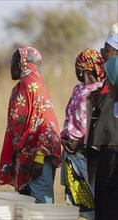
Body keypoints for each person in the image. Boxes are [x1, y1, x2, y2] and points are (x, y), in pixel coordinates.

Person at [0, 47, 62, 203]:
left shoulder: (35, 86)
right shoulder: (20, 88)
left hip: (38, 158)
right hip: (24, 156)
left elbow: (47, 121)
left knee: (40, 206)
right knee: (25, 205)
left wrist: (39, 157)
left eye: (12, 62)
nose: (10, 66)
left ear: (21, 63)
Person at [60, 49, 105, 220]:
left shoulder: (100, 91)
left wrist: (80, 143)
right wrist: (66, 137)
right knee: (77, 199)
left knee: (93, 194)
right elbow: (69, 114)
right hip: (71, 152)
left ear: (82, 69)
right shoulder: (77, 89)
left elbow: (97, 124)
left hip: (87, 153)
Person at [87, 23, 118, 220]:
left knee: (107, 207)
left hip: (112, 152)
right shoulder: (108, 82)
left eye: (105, 51)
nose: (103, 55)